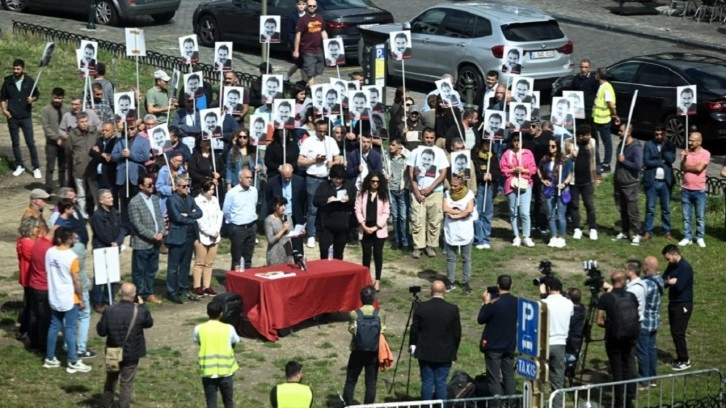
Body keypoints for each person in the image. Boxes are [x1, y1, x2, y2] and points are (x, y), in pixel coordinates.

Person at [43, 226, 93, 373]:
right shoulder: (71, 257)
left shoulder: (50, 252)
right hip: (69, 297)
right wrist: (82, 298)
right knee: (70, 329)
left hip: (54, 294)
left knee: (54, 326)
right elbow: (76, 280)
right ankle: (73, 360)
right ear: (70, 239)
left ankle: (50, 357)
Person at [97, 282, 154, 408]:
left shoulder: (109, 310)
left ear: (119, 293)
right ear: (134, 295)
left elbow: (101, 332)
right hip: (132, 352)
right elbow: (149, 323)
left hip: (113, 350)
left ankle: (106, 403)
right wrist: (143, 305)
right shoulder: (140, 311)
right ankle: (124, 405)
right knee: (126, 382)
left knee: (111, 379)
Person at [53, 197, 94, 358]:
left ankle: (66, 344)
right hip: (77, 287)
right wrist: (82, 297)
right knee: (83, 315)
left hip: (63, 288)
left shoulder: (55, 252)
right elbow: (78, 276)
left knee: (68, 319)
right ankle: (80, 348)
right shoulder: (77, 251)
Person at [409, 280, 461, 400]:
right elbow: (457, 333)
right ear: (444, 292)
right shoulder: (452, 309)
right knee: (441, 383)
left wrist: (413, 344)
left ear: (431, 291)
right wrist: (454, 350)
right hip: (445, 351)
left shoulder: (421, 307)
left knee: (427, 382)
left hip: (425, 351)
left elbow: (415, 329)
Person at [596, 271, 639, 408]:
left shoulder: (605, 298)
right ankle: (629, 400)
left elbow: (599, 321)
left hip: (614, 338)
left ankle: (619, 402)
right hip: (630, 336)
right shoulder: (631, 296)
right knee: (628, 366)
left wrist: (609, 325)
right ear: (623, 281)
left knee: (617, 369)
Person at [298, 120, 341, 248]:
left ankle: (325, 232)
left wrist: (332, 163)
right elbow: (300, 161)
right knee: (312, 208)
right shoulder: (309, 141)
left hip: (327, 178)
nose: (322, 133)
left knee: (328, 206)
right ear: (315, 130)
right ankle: (311, 234)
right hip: (312, 178)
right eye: (320, 131)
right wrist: (314, 160)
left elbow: (337, 158)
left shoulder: (330, 141)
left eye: (324, 131)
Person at [407, 128, 448, 258]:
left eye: (431, 137)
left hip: (435, 192)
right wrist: (417, 191)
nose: (429, 140)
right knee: (417, 220)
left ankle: (431, 245)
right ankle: (418, 246)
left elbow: (443, 173)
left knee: (434, 221)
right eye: (426, 137)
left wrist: (430, 188)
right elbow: (411, 173)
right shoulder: (415, 152)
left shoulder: (440, 152)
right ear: (422, 137)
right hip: (418, 192)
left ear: (434, 138)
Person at [342, 285, 385, 405]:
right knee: (371, 382)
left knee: (350, 381)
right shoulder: (381, 314)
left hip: (357, 351)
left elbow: (351, 330)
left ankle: (348, 404)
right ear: (374, 298)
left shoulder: (354, 314)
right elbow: (382, 330)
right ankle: (368, 406)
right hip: (374, 352)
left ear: (361, 298)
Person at [193, 301, 240, 408]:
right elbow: (235, 341)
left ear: (207, 313)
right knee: (228, 402)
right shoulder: (229, 328)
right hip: (226, 370)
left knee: (211, 403)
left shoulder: (199, 328)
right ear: (221, 314)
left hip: (208, 371)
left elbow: (198, 341)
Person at [477, 275, 517, 402]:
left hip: (494, 346)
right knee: (509, 376)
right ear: (511, 285)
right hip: (509, 345)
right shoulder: (517, 302)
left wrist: (485, 303)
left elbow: (481, 319)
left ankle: (496, 403)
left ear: (498, 286)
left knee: (494, 378)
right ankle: (511, 403)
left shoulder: (494, 304)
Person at [1, 59, 41, 178]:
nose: (15, 71)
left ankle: (36, 167)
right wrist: (4, 111)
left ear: (23, 69)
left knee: (30, 143)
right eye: (14, 68)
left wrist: (32, 99)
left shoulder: (29, 81)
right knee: (15, 143)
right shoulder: (7, 82)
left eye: (18, 69)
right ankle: (20, 165)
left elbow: (37, 95)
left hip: (25, 117)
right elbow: (2, 98)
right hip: (12, 117)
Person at [128, 174, 165, 304]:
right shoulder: (134, 202)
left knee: (151, 270)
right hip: (142, 242)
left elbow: (160, 217)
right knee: (139, 271)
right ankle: (137, 295)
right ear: (141, 186)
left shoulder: (155, 199)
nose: (152, 187)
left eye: (152, 184)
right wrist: (151, 235)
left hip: (156, 241)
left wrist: (161, 232)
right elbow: (137, 224)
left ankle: (149, 292)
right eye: (149, 185)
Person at [166, 174, 202, 304]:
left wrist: (189, 215)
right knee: (173, 267)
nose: (187, 188)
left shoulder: (190, 199)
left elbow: (200, 213)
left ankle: (183, 288)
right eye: (184, 186)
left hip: (190, 236)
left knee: (185, 265)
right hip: (177, 237)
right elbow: (177, 218)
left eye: (188, 186)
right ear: (176, 187)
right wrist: (191, 217)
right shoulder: (172, 200)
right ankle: (171, 291)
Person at [540, 278, 574, 408]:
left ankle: (539, 402)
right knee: (558, 380)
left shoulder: (543, 302)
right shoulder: (568, 303)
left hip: (544, 343)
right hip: (560, 344)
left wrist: (543, 295)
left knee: (539, 377)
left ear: (548, 288)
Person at [90, 189, 125, 312]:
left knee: (113, 275)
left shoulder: (115, 213)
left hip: (114, 248)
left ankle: (108, 298)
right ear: (101, 200)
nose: (112, 199)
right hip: (101, 248)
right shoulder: (97, 216)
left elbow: (121, 229)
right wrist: (111, 242)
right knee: (101, 276)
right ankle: (98, 301)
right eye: (109, 197)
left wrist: (118, 242)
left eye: (111, 197)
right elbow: (101, 233)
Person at [355, 172, 389, 291]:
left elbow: (386, 213)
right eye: (373, 181)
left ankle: (377, 280)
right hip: (365, 228)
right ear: (369, 181)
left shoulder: (383, 195)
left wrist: (376, 227)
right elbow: (357, 210)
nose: (375, 184)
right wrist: (363, 225)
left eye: (377, 182)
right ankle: (366, 279)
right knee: (366, 254)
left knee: (378, 254)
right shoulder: (362, 194)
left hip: (379, 229)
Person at [500, 136, 536, 247]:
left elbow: (533, 169)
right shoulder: (507, 153)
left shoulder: (528, 153)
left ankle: (526, 236)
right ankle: (516, 235)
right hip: (511, 185)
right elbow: (503, 168)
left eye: (518, 140)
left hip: (525, 184)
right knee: (513, 211)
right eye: (514, 141)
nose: (517, 143)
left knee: (525, 212)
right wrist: (513, 170)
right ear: (512, 142)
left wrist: (523, 170)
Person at [313, 164, 355, 260]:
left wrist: (349, 200)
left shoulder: (349, 186)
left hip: (342, 225)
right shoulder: (323, 186)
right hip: (326, 225)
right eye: (336, 178)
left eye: (340, 179)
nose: (338, 181)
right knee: (324, 251)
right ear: (331, 177)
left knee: (339, 252)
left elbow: (356, 201)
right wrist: (327, 200)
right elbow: (315, 201)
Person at [661, 245, 694, 371]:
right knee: (674, 332)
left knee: (678, 332)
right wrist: (669, 282)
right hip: (674, 302)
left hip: (683, 304)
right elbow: (664, 279)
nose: (668, 262)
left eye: (668, 259)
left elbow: (679, 286)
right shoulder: (672, 265)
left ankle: (685, 360)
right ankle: (680, 358)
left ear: (674, 254)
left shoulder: (685, 268)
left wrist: (669, 282)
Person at [566, 125, 600, 241]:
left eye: (590, 134)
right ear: (580, 135)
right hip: (574, 181)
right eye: (587, 135)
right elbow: (562, 159)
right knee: (574, 205)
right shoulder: (569, 144)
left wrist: (597, 176)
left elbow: (596, 159)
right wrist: (571, 155)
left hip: (587, 180)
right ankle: (576, 228)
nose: (589, 136)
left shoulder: (592, 142)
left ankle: (593, 229)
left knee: (589, 205)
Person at [442, 175, 475, 293]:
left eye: (455, 185)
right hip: (451, 229)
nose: (452, 187)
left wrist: (457, 215)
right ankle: (450, 281)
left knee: (466, 258)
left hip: (465, 229)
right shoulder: (447, 193)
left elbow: (469, 209)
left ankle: (466, 281)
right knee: (451, 258)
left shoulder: (469, 194)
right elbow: (445, 208)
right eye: (451, 185)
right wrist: (457, 212)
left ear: (461, 185)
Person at [612, 124, 643, 245]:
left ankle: (637, 233)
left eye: (621, 131)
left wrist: (624, 161)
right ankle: (625, 231)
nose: (618, 133)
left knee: (632, 211)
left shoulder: (636, 148)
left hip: (630, 185)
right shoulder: (621, 145)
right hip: (619, 182)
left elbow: (638, 166)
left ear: (628, 132)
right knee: (622, 209)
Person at [265, 163, 307, 255]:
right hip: (279, 217)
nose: (287, 179)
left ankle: (298, 261)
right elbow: (269, 200)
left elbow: (303, 198)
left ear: (292, 172)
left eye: (289, 177)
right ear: (280, 173)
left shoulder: (299, 181)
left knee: (297, 243)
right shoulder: (272, 182)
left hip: (295, 215)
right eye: (285, 177)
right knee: (281, 242)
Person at [642, 126, 675, 241]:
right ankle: (648, 231)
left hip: (665, 182)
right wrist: (660, 162)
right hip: (652, 181)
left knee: (666, 208)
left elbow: (671, 160)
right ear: (654, 134)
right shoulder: (648, 144)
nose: (659, 136)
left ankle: (666, 230)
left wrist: (664, 148)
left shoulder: (670, 145)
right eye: (657, 134)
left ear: (664, 134)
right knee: (650, 208)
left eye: (661, 134)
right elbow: (646, 161)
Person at [538, 139, 573, 248]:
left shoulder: (564, 160)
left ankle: (561, 237)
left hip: (562, 190)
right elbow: (538, 169)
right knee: (551, 215)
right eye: (549, 146)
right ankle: (553, 236)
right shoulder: (544, 159)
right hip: (550, 189)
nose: (550, 148)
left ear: (557, 147)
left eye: (553, 146)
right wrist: (542, 180)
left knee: (561, 215)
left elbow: (570, 173)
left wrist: (564, 183)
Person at [191, 180, 223, 297]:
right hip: (202, 236)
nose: (212, 192)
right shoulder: (197, 201)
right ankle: (197, 286)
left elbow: (219, 215)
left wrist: (216, 231)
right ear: (203, 190)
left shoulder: (214, 200)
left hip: (215, 235)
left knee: (209, 263)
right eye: (210, 190)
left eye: (213, 190)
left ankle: (206, 285)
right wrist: (209, 232)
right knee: (199, 262)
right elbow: (199, 220)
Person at [679, 131, 710, 248]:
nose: (690, 142)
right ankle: (687, 237)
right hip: (686, 189)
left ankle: (700, 237)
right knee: (686, 216)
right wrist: (684, 158)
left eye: (692, 140)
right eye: (689, 140)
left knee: (700, 216)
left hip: (699, 190)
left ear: (699, 141)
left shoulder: (705, 154)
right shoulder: (685, 153)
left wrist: (688, 167)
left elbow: (699, 168)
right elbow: (682, 168)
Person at [223, 169, 258, 270]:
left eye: (251, 177)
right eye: (247, 177)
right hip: (238, 228)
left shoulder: (254, 191)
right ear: (240, 178)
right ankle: (235, 281)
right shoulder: (232, 193)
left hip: (251, 226)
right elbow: (226, 211)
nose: (250, 180)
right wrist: (234, 221)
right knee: (237, 258)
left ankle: (247, 278)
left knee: (248, 256)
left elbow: (254, 205)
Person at [16, 216, 43, 346]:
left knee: (29, 306)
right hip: (29, 276)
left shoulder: (24, 240)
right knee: (30, 307)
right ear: (30, 228)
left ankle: (24, 330)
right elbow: (34, 257)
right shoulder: (27, 242)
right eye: (36, 227)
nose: (38, 229)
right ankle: (25, 330)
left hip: (27, 276)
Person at [639, 256, 665, 386]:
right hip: (654, 321)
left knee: (643, 351)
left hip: (645, 322)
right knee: (651, 350)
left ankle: (644, 380)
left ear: (647, 267)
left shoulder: (647, 284)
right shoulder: (659, 280)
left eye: (643, 264)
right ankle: (653, 378)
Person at [41, 87, 71, 192]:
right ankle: (48, 188)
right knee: (50, 166)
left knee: (63, 166)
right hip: (51, 143)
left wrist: (65, 138)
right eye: (55, 98)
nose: (57, 100)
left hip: (64, 143)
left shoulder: (67, 109)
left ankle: (63, 187)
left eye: (59, 98)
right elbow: (46, 127)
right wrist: (57, 138)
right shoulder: (46, 110)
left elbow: (70, 124)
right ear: (52, 96)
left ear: (63, 98)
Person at [471, 138, 500, 250]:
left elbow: (497, 171)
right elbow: (472, 174)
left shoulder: (493, 157)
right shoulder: (474, 156)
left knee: (487, 214)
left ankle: (486, 238)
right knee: (477, 214)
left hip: (489, 187)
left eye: (490, 143)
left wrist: (492, 175)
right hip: (479, 187)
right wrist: (481, 176)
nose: (488, 145)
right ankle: (478, 238)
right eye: (486, 143)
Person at [383, 138, 411, 251]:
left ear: (400, 146)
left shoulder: (407, 155)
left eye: (393, 145)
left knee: (403, 217)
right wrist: (385, 175)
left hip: (403, 189)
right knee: (395, 216)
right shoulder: (387, 156)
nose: (390, 147)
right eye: (390, 144)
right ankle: (397, 240)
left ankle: (405, 242)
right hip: (391, 189)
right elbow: (383, 167)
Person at [69, 111, 98, 218]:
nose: (84, 124)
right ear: (77, 123)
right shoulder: (72, 135)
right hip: (79, 168)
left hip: (92, 167)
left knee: (95, 192)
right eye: (82, 122)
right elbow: (69, 151)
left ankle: (98, 212)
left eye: (86, 121)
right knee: (81, 194)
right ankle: (82, 214)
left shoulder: (94, 132)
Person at [293, 0, 328, 85]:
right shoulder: (302, 20)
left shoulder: (320, 17)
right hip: (307, 50)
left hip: (318, 50)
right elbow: (298, 35)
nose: (312, 7)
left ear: (316, 7)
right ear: (306, 6)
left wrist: (327, 45)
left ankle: (304, 83)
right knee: (310, 73)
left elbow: (323, 31)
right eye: (310, 6)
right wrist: (296, 50)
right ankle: (313, 93)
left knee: (319, 70)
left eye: (313, 6)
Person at [593, 67, 620, 173]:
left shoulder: (606, 87)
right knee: (600, 141)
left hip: (604, 120)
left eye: (596, 74)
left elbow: (610, 104)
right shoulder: (603, 86)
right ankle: (599, 162)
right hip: (598, 119)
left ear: (599, 75)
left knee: (607, 142)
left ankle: (606, 164)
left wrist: (615, 115)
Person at [264, 196, 294, 266]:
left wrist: (299, 233)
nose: (283, 208)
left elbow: (291, 233)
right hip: (275, 253)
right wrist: (283, 230)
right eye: (280, 205)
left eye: (284, 205)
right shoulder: (269, 220)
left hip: (287, 251)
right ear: (274, 206)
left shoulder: (288, 217)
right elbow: (271, 240)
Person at [285, 0, 308, 82]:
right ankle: (303, 81)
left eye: (303, 4)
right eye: (299, 4)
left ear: (306, 5)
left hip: (307, 44)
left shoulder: (308, 16)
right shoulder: (292, 16)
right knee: (300, 64)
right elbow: (290, 32)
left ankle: (304, 81)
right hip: (296, 44)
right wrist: (295, 46)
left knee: (303, 64)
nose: (301, 6)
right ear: (296, 5)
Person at [570, 59, 598, 124]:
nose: (583, 69)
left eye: (586, 67)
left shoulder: (593, 79)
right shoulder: (576, 78)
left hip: (589, 109)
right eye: (582, 67)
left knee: (591, 128)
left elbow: (598, 93)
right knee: (579, 128)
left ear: (589, 69)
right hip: (578, 109)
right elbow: (572, 91)